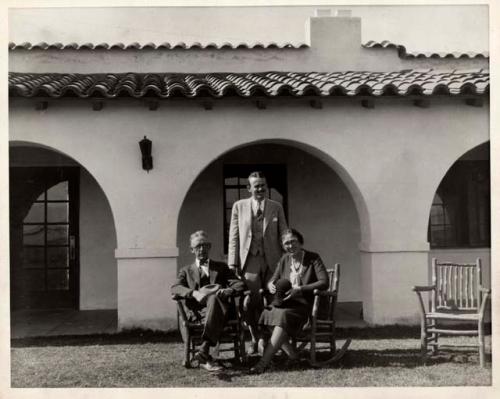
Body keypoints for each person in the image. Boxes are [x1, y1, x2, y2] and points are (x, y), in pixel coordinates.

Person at [249, 228, 329, 374]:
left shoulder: (313, 258)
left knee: (281, 317)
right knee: (268, 314)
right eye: (286, 243)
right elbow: (274, 277)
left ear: (300, 242)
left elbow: (324, 282)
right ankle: (293, 356)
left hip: (306, 305)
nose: (290, 246)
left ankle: (262, 364)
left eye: (293, 242)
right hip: (286, 303)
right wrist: (270, 284)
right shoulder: (285, 259)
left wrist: (301, 289)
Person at [228, 171, 288, 355]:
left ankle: (272, 341)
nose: (260, 189)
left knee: (274, 301)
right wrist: (233, 262)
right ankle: (255, 338)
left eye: (263, 185)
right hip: (250, 260)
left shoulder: (276, 207)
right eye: (256, 186)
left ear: (266, 187)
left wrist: (289, 257)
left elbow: (284, 232)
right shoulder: (239, 206)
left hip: (273, 262)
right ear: (249, 188)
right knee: (250, 302)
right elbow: (234, 235)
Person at [171, 230, 245, 372]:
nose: (202, 249)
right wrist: (193, 293)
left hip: (221, 312)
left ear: (210, 247)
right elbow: (175, 288)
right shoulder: (186, 271)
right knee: (213, 299)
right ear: (192, 249)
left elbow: (239, 284)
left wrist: (229, 290)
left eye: (205, 245)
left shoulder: (221, 267)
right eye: (198, 246)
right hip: (198, 313)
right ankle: (206, 354)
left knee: (215, 298)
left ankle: (204, 350)